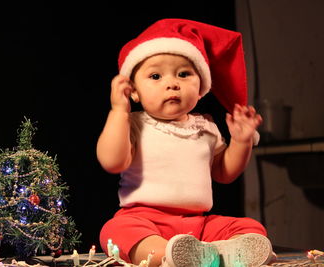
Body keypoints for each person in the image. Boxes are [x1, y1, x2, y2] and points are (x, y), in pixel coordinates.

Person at [96, 18, 273, 267]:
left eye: (183, 74)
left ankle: (204, 252)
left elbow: (224, 173)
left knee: (249, 227)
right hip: (144, 220)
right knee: (116, 229)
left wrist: (241, 141)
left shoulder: (206, 126)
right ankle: (171, 254)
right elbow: (112, 161)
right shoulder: (133, 124)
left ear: (201, 86)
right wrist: (118, 112)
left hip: (198, 225)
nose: (172, 83)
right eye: (156, 76)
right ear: (133, 91)